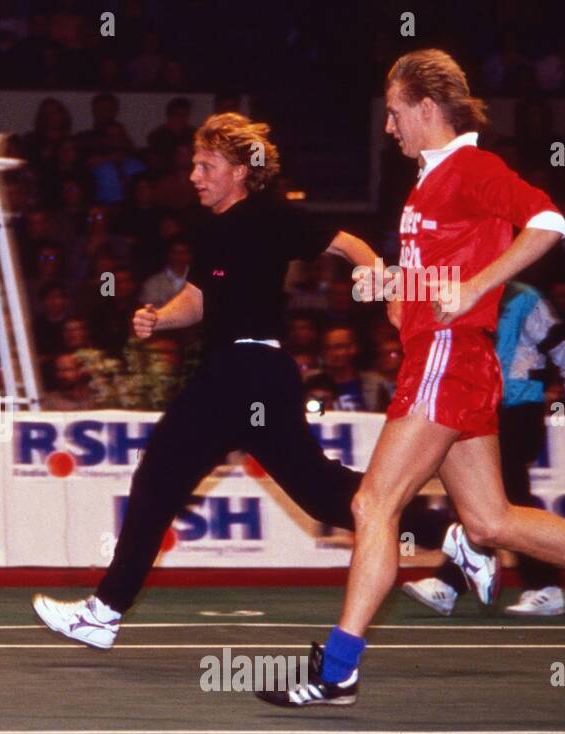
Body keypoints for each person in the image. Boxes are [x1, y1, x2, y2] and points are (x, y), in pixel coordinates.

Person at [32, 114, 469, 650]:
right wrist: (158, 319)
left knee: (157, 479)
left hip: (241, 371)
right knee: (322, 494)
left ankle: (103, 611)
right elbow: (196, 301)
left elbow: (348, 243)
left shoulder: (267, 215)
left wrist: (388, 286)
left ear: (240, 171)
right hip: (259, 379)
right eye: (194, 164)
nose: (193, 175)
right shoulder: (211, 229)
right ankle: (448, 534)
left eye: (205, 165)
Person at [259, 50, 565, 708]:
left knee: (372, 505)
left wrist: (476, 285)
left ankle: (337, 670)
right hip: (453, 359)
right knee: (492, 522)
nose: (388, 127)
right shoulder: (427, 184)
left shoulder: (471, 168)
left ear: (427, 108)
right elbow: (438, 279)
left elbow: (549, 222)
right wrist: (394, 284)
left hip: (449, 357)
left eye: (394, 113)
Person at [402, 281, 565, 617]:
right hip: (477, 405)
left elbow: (562, 340)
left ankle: (542, 584)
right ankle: (455, 582)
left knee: (509, 500)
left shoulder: (523, 297)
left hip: (517, 406)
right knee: (481, 499)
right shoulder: (461, 290)